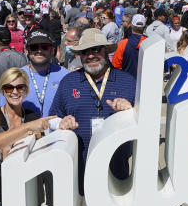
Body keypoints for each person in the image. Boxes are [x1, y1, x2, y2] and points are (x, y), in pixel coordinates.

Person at [50, 28, 136, 181]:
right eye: (85, 52)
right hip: (78, 172)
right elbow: (52, 118)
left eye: (96, 50)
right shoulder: (68, 82)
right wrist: (61, 123)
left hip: (117, 169)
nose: (90, 56)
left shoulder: (128, 81)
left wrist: (130, 112)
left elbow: (146, 124)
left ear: (105, 51)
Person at [19, 29, 70, 116]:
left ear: (52, 51)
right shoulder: (15, 77)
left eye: (44, 47)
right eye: (34, 47)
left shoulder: (66, 76)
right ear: (27, 51)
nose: (39, 51)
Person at [111, 13, 147, 77]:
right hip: (145, 82)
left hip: (127, 82)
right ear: (144, 27)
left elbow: (116, 66)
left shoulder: (123, 43)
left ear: (131, 25)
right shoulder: (150, 42)